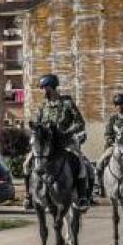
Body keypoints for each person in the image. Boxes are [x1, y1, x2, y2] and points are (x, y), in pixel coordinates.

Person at [24, 74, 91, 210]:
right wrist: (35, 127)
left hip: (65, 141)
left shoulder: (67, 103)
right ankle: (28, 196)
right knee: (26, 164)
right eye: (42, 88)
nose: (43, 91)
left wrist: (68, 132)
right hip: (46, 145)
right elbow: (36, 123)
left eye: (44, 88)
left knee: (81, 163)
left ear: (52, 87)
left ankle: (82, 196)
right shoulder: (43, 106)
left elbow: (79, 123)